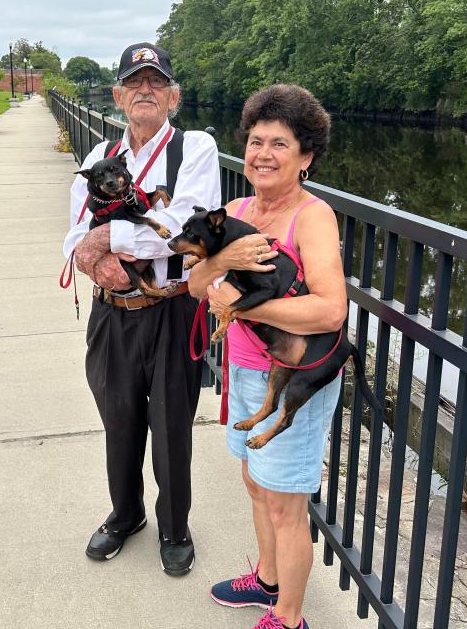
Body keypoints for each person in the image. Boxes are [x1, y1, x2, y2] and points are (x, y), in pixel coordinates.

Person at [188, 84, 345, 629]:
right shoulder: (235, 210)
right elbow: (195, 284)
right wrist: (218, 267)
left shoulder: (313, 217)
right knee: (256, 484)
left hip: (294, 377)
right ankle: (267, 582)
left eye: (280, 143)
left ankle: (290, 617)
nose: (262, 154)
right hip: (244, 373)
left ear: (306, 158)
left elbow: (329, 313)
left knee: (286, 506)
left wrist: (249, 308)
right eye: (256, 140)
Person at [62, 42, 221, 575]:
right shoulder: (96, 158)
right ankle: (125, 514)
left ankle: (175, 526)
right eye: (134, 82)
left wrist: (106, 233)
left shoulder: (194, 148)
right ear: (118, 95)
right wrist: (89, 256)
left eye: (156, 83)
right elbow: (73, 236)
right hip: (111, 309)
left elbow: (184, 227)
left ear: (173, 95)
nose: (145, 91)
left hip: (172, 309)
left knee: (172, 422)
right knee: (119, 418)